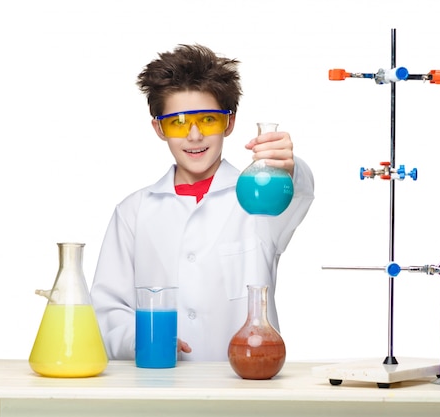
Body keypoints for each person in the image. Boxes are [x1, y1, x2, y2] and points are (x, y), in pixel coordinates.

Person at [90, 44, 315, 361]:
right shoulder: (134, 211)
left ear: (229, 123)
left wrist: (289, 168)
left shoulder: (258, 205)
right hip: (157, 385)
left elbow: (299, 194)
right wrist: (144, 339)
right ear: (159, 128)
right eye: (178, 122)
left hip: (243, 390)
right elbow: (108, 308)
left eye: (208, 120)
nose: (194, 136)